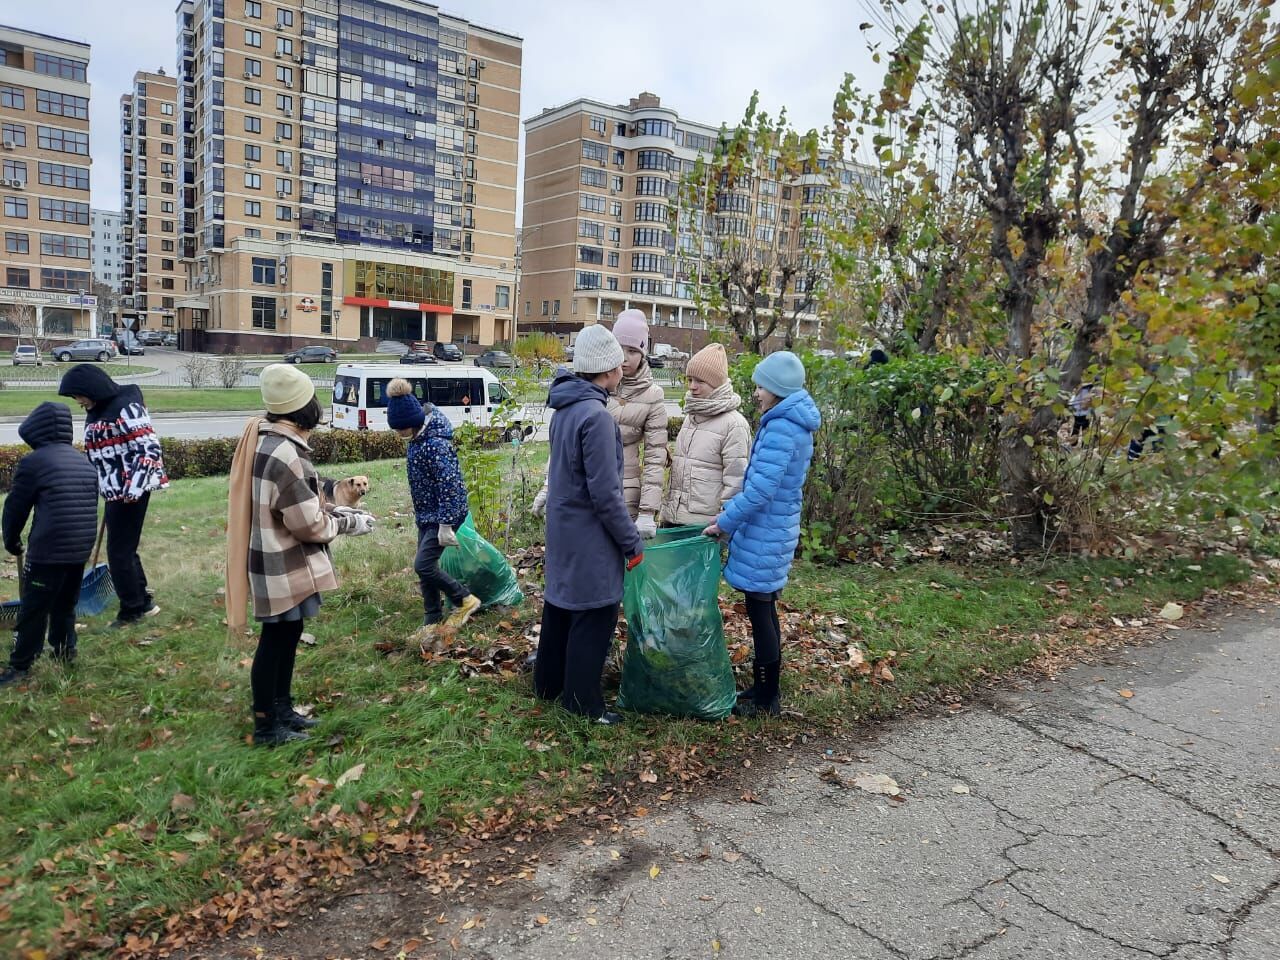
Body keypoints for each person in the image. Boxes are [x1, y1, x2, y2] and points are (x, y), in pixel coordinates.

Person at [225, 364, 375, 746]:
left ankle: (283, 709)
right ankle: (266, 726)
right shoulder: (288, 454)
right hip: (282, 561)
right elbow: (307, 524)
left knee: (287, 635)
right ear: (305, 408)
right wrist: (347, 523)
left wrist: (338, 513)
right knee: (276, 641)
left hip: (271, 555)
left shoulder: (262, 438)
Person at [535, 324, 643, 725]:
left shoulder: (565, 409)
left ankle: (548, 683)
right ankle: (583, 704)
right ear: (609, 369)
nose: (622, 370)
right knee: (594, 614)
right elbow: (605, 494)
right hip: (589, 535)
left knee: (561, 606)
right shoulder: (596, 417)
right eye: (618, 364)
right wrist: (631, 542)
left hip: (563, 529)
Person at [703, 351, 821, 718]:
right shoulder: (786, 422)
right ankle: (764, 689)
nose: (755, 391)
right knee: (763, 609)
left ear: (777, 389)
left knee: (761, 610)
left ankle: (768, 697)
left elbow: (759, 492)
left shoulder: (783, 428)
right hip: (772, 529)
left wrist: (724, 523)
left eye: (760, 385)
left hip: (767, 532)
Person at [58, 365, 168, 627]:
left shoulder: (126, 406)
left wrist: (133, 488)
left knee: (118, 553)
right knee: (124, 549)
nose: (78, 401)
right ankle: (142, 601)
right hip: (114, 489)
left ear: (91, 388)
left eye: (78, 395)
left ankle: (131, 611)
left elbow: (149, 449)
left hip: (129, 491)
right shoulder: (98, 408)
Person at [0, 403, 99, 688]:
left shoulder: (34, 462)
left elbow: (15, 508)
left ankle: (21, 665)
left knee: (35, 608)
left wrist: (12, 540)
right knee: (65, 604)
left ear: (34, 430)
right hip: (79, 548)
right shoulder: (83, 462)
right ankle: (65, 652)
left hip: (48, 551)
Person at [384, 377, 481, 630]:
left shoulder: (435, 444)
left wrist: (446, 524)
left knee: (423, 565)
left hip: (445, 515)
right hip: (427, 514)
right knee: (425, 568)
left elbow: (450, 486)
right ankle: (432, 619)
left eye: (399, 429)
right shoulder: (417, 440)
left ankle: (465, 599)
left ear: (412, 423)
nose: (398, 433)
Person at [661, 343, 751, 528]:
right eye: (690, 379)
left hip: (703, 525)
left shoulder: (734, 424)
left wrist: (724, 522)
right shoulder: (691, 416)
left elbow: (736, 480)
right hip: (674, 517)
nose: (692, 387)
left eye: (700, 381)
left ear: (716, 384)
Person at [608, 310, 669, 538]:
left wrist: (647, 511)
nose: (624, 357)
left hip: (627, 493)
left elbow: (655, 456)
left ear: (643, 354)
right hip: (587, 489)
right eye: (619, 348)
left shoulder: (652, 395)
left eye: (633, 351)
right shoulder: (597, 383)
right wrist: (549, 485)